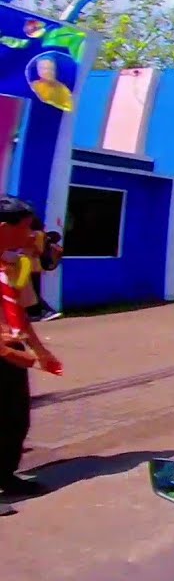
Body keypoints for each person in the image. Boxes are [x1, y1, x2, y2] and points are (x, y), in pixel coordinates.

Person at [0, 196, 62, 498]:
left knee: (15, 418)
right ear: (3, 228)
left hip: (11, 354)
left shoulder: (13, 264)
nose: (30, 235)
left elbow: (20, 313)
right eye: (24, 228)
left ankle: (5, 476)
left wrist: (39, 350)